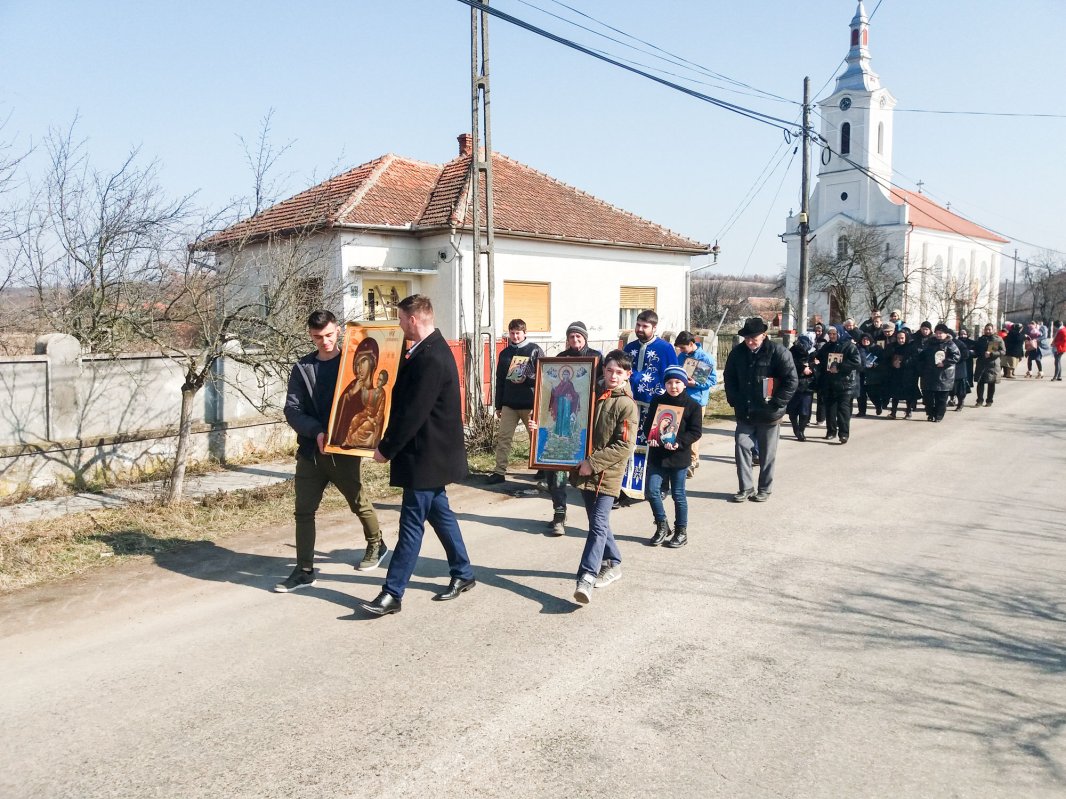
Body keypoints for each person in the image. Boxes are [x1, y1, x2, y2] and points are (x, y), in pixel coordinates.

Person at [361, 295, 475, 616]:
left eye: (400, 319)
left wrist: (386, 448)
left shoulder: (432, 357)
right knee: (440, 514)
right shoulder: (425, 350)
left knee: (411, 526)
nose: (399, 325)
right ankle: (464, 572)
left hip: (426, 457)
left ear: (413, 320)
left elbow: (413, 413)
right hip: (429, 455)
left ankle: (392, 593)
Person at [276, 311, 385, 593]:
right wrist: (316, 432)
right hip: (311, 452)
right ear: (310, 335)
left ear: (338, 330)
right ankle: (304, 571)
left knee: (357, 501)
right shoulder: (302, 368)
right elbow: (292, 409)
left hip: (344, 451)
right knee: (303, 511)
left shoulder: (352, 365)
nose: (324, 341)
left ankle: (376, 543)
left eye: (328, 335)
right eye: (317, 337)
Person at [566, 350, 638, 605]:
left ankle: (586, 577)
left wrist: (593, 463)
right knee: (599, 524)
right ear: (603, 370)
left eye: (619, 372)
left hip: (607, 474)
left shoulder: (627, 405)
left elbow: (625, 446)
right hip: (585, 471)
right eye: (609, 370)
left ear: (628, 374)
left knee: (597, 525)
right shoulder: (592, 395)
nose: (613, 376)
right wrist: (540, 427)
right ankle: (614, 562)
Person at [723, 317, 798, 502]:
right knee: (742, 446)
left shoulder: (778, 352)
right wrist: (733, 399)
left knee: (767, 454)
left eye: (753, 338)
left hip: (769, 413)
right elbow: (729, 377)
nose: (750, 342)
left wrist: (777, 402)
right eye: (747, 338)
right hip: (745, 411)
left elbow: (791, 380)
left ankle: (764, 489)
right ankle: (746, 488)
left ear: (764, 335)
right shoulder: (737, 353)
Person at [542, 321, 603, 536]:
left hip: (588, 420)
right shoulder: (561, 358)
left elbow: (598, 385)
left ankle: (597, 521)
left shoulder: (596, 357)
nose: (575, 340)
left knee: (587, 473)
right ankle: (559, 514)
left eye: (579, 337)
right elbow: (550, 387)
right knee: (555, 473)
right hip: (560, 414)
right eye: (571, 337)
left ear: (585, 338)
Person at [621, 310, 678, 501]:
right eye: (638, 325)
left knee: (657, 445)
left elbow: (673, 374)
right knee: (630, 444)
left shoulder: (665, 348)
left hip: (656, 406)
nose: (640, 329)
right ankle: (628, 487)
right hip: (631, 405)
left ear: (654, 327)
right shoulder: (629, 348)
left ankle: (661, 485)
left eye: (644, 326)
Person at [644, 365, 702, 548]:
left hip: (679, 457)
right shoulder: (657, 401)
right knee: (652, 491)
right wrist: (651, 437)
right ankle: (662, 525)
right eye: (669, 382)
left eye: (678, 382)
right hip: (658, 456)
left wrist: (679, 442)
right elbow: (648, 425)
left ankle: (681, 531)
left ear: (684, 384)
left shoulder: (693, 406)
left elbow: (695, 432)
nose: (673, 386)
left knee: (678, 495)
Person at [487, 319, 544, 485]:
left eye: (518, 333)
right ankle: (499, 472)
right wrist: (498, 405)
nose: (515, 336)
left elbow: (544, 375)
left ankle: (542, 468)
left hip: (530, 404)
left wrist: (527, 379)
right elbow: (499, 380)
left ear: (525, 333)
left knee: (535, 437)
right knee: (503, 438)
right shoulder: (504, 353)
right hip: (509, 403)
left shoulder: (534, 350)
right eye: (512, 333)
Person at [673, 331, 716, 477]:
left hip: (697, 400)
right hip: (681, 397)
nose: (681, 350)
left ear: (691, 344)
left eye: (683, 348)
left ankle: (692, 460)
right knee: (680, 429)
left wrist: (696, 383)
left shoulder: (705, 358)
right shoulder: (681, 356)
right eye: (679, 348)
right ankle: (685, 457)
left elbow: (712, 380)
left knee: (693, 430)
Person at [815, 326, 860, 444]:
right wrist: (814, 360)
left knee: (843, 410)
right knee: (830, 409)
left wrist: (839, 366)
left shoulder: (849, 346)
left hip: (845, 383)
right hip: (829, 382)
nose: (832, 336)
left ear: (840, 334)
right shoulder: (827, 346)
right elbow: (819, 357)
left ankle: (844, 434)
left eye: (834, 334)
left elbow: (856, 362)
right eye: (830, 334)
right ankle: (831, 431)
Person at [917, 323, 960, 422]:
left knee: (941, 398)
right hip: (929, 374)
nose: (938, 335)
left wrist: (944, 363)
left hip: (944, 376)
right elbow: (922, 356)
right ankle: (930, 413)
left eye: (941, 333)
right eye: (937, 333)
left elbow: (956, 356)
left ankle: (939, 415)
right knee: (928, 397)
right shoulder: (929, 343)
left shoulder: (950, 344)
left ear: (946, 334)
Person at [787, 334, 817, 441]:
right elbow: (789, 364)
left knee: (805, 410)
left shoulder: (814, 352)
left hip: (808, 384)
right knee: (793, 410)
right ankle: (795, 427)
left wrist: (812, 367)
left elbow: (819, 364)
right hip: (794, 383)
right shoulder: (793, 351)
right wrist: (802, 368)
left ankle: (801, 431)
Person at [885, 328, 920, 419]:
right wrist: (893, 363)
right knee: (895, 394)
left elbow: (914, 359)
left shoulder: (911, 347)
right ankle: (893, 412)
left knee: (908, 394)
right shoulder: (892, 346)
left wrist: (902, 363)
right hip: (895, 373)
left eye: (902, 338)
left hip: (908, 374)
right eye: (898, 338)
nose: (900, 340)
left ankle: (908, 411)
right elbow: (886, 358)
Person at [973, 322, 1005, 406]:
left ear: (993, 330)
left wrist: (992, 354)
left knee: (991, 383)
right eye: (986, 329)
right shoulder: (981, 339)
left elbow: (1003, 351)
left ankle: (989, 401)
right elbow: (976, 350)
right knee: (980, 383)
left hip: (992, 365)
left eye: (989, 329)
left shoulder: (997, 339)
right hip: (981, 364)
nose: (987, 331)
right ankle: (979, 401)